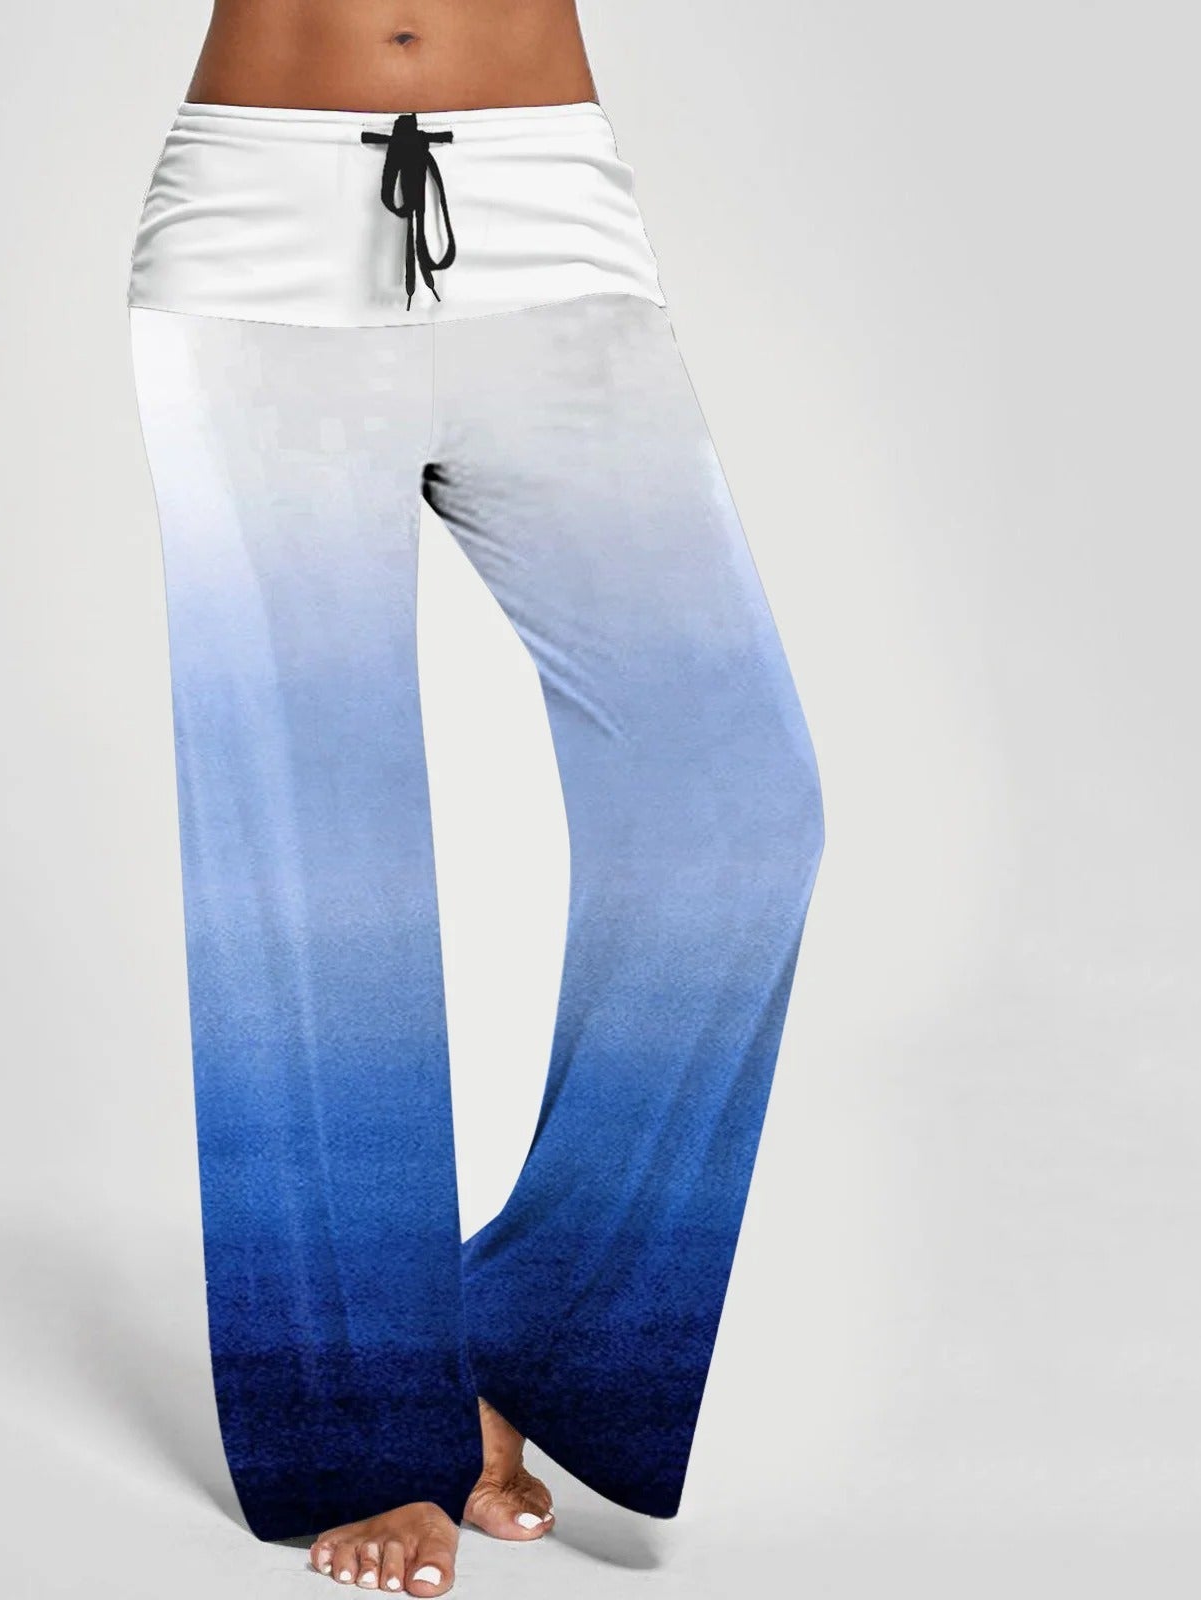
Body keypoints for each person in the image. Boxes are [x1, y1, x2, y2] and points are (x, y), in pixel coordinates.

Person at [126, 3, 824, 1593]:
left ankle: (531, 1330)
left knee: (741, 812)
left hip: (550, 221)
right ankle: (365, 1430)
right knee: (319, 869)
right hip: (256, 234)